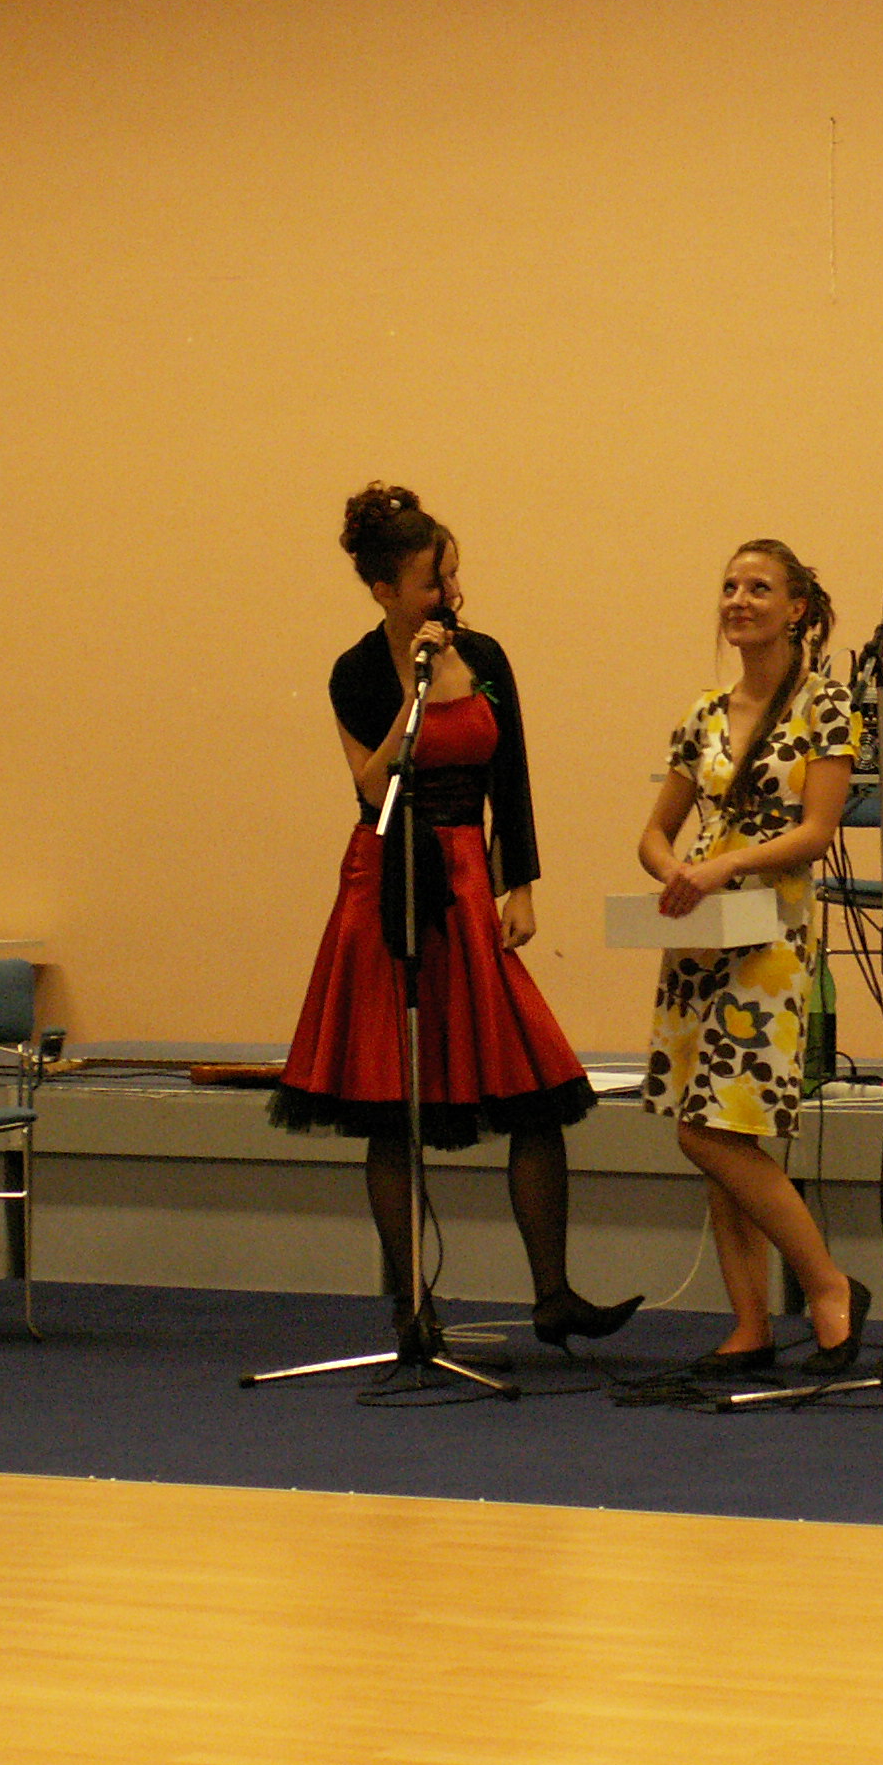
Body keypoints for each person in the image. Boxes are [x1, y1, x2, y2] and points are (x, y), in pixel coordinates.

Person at [271, 483, 638, 1357]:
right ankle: (411, 1312)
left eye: (453, 575)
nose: (450, 594)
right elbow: (371, 788)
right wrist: (418, 692)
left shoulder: (488, 656)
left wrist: (522, 887)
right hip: (390, 878)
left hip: (470, 877)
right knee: (391, 1100)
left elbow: (512, 777)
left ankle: (553, 1296)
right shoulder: (357, 672)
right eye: (432, 581)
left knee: (536, 1093)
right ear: (385, 590)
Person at [636, 540, 871, 1377]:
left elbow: (816, 831)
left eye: (759, 588)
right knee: (713, 1130)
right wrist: (676, 872)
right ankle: (749, 1323)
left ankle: (829, 1285)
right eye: (731, 586)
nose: (738, 600)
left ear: (797, 609)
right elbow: (654, 833)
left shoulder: (827, 705)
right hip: (702, 930)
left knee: (713, 1131)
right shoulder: (703, 712)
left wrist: (723, 867)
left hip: (772, 932)